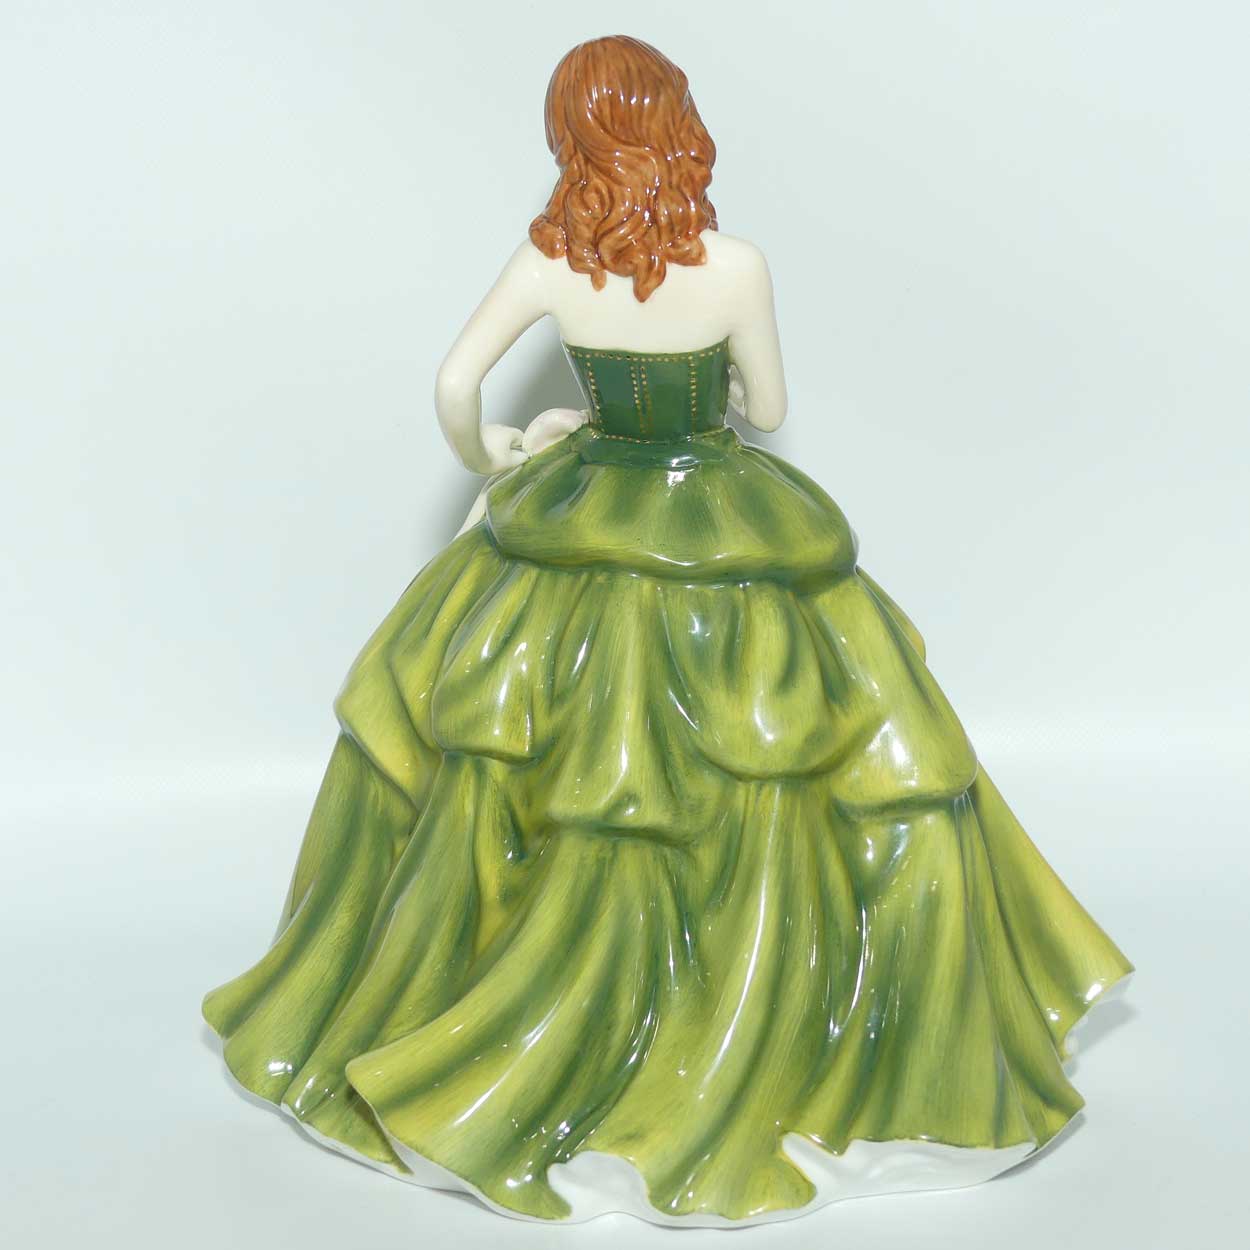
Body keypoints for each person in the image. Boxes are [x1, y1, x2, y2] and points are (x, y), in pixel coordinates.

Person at [204, 35, 1132, 1226]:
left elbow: (453, 386)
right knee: (780, 746)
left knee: (533, 748)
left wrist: (501, 448)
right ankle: (764, 1022)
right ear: (675, 124)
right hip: (713, 510)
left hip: (588, 505)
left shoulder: (551, 259)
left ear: (570, 135)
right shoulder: (733, 264)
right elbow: (770, 407)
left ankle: (515, 1022)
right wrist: (714, 398)